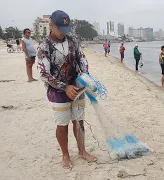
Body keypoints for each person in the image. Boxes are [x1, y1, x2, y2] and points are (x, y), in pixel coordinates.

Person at [37, 10, 96, 169]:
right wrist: (65, 87)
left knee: (79, 120)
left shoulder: (73, 40)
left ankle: (82, 151)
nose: (64, 33)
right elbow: (43, 73)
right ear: (51, 26)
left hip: (77, 87)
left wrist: (85, 75)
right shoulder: (44, 47)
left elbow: (82, 59)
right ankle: (65, 154)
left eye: (66, 29)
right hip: (57, 91)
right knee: (62, 124)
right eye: (60, 29)